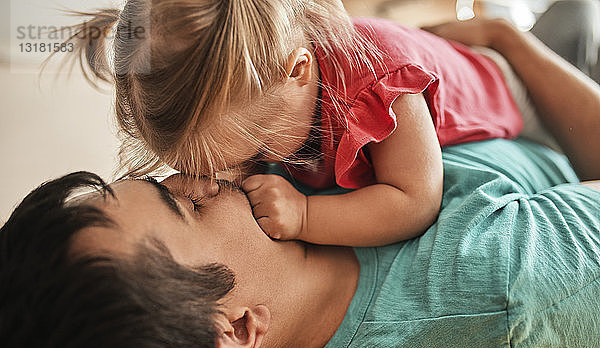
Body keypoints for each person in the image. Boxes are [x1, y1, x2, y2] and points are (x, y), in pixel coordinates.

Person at [3, 6, 600, 348]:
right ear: (239, 327)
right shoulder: (515, 296)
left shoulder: (270, 210)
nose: (205, 178)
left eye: (169, 177)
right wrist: (511, 45)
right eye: (183, 204)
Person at [59, 0, 528, 248]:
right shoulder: (271, 94)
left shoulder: (381, 81)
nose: (237, 174)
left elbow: (414, 200)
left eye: (251, 152)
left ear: (298, 72)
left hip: (504, 86)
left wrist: (306, 216)